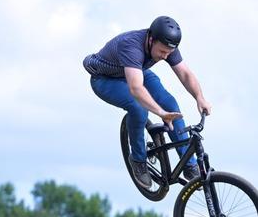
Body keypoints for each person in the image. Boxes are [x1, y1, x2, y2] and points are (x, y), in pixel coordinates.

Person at [83, 16, 213, 189]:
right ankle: (138, 160)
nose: (165, 56)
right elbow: (136, 89)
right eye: (161, 52)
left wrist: (199, 97)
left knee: (170, 104)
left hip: (136, 71)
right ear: (151, 39)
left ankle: (189, 166)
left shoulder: (167, 46)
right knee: (139, 109)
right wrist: (160, 113)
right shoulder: (131, 46)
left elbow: (185, 74)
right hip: (105, 80)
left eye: (168, 53)